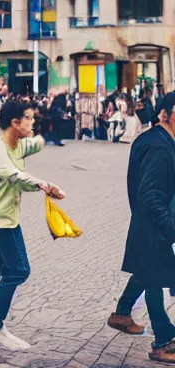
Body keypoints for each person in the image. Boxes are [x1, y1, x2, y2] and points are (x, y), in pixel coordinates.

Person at [0, 101, 66, 350]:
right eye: (28, 118)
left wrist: (43, 139)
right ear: (15, 123)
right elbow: (13, 175)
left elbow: (34, 144)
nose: (32, 122)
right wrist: (43, 185)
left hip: (3, 217)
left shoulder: (18, 144)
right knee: (19, 270)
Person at [107, 91, 175, 364]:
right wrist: (170, 231)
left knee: (148, 273)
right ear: (164, 114)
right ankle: (163, 341)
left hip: (152, 225)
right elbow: (150, 196)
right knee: (155, 280)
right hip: (155, 227)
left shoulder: (160, 140)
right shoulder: (158, 147)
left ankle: (122, 313)